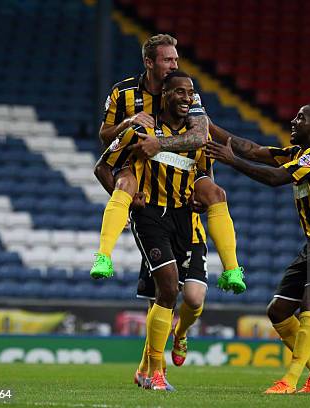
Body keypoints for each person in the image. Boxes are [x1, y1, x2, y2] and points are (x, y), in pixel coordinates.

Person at [206, 104, 310, 394]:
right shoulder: (296, 154)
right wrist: (210, 127)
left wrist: (231, 161)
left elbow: (275, 179)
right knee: (278, 311)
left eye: (301, 118)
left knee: (309, 306)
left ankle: (289, 381)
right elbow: (251, 149)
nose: (292, 120)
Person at [91, 33, 244, 293]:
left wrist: (160, 145)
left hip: (180, 166)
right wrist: (129, 121)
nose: (174, 65)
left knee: (215, 192)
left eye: (176, 59)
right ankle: (103, 256)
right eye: (167, 60)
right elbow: (105, 137)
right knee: (126, 180)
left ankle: (232, 269)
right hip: (139, 161)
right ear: (149, 63)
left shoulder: (187, 93)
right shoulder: (124, 92)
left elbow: (198, 136)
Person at [114, 70, 214, 391]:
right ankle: (155, 371)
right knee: (166, 292)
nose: (187, 97)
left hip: (188, 226)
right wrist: (127, 196)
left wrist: (202, 197)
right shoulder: (144, 126)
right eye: (180, 92)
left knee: (192, 299)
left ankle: (174, 340)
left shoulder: (196, 134)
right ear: (166, 94)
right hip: (152, 218)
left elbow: (205, 176)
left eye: (191, 93)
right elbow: (108, 160)